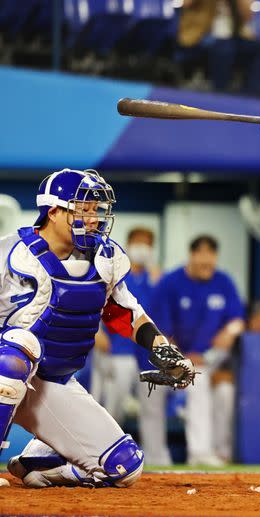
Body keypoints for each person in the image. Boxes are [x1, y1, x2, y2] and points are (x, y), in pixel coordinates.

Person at [0, 169, 195, 488]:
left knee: (125, 468)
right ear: (53, 211)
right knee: (19, 348)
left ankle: (42, 460)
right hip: (7, 366)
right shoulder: (9, 252)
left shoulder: (105, 258)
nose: (93, 218)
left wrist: (163, 349)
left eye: (96, 210)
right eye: (83, 209)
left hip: (52, 382)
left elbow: (128, 315)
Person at [151, 235, 245, 466]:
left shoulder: (223, 281)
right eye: (202, 257)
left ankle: (222, 452)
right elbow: (161, 331)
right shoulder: (171, 282)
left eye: (211, 258)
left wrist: (230, 332)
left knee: (225, 392)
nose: (207, 264)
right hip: (174, 358)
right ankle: (199, 453)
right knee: (198, 381)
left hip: (212, 357)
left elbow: (237, 320)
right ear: (191, 255)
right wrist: (181, 359)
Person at [92, 228, 160, 426]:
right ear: (129, 244)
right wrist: (97, 332)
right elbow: (96, 301)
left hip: (144, 352)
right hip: (114, 348)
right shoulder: (117, 271)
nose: (142, 248)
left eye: (147, 243)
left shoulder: (155, 279)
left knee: (147, 409)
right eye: (138, 241)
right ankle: (96, 449)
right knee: (105, 404)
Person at [177, 0, 260, 95]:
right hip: (202, 35)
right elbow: (185, 3)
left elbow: (248, 16)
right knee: (224, 48)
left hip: (234, 36)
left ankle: (250, 93)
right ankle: (219, 91)